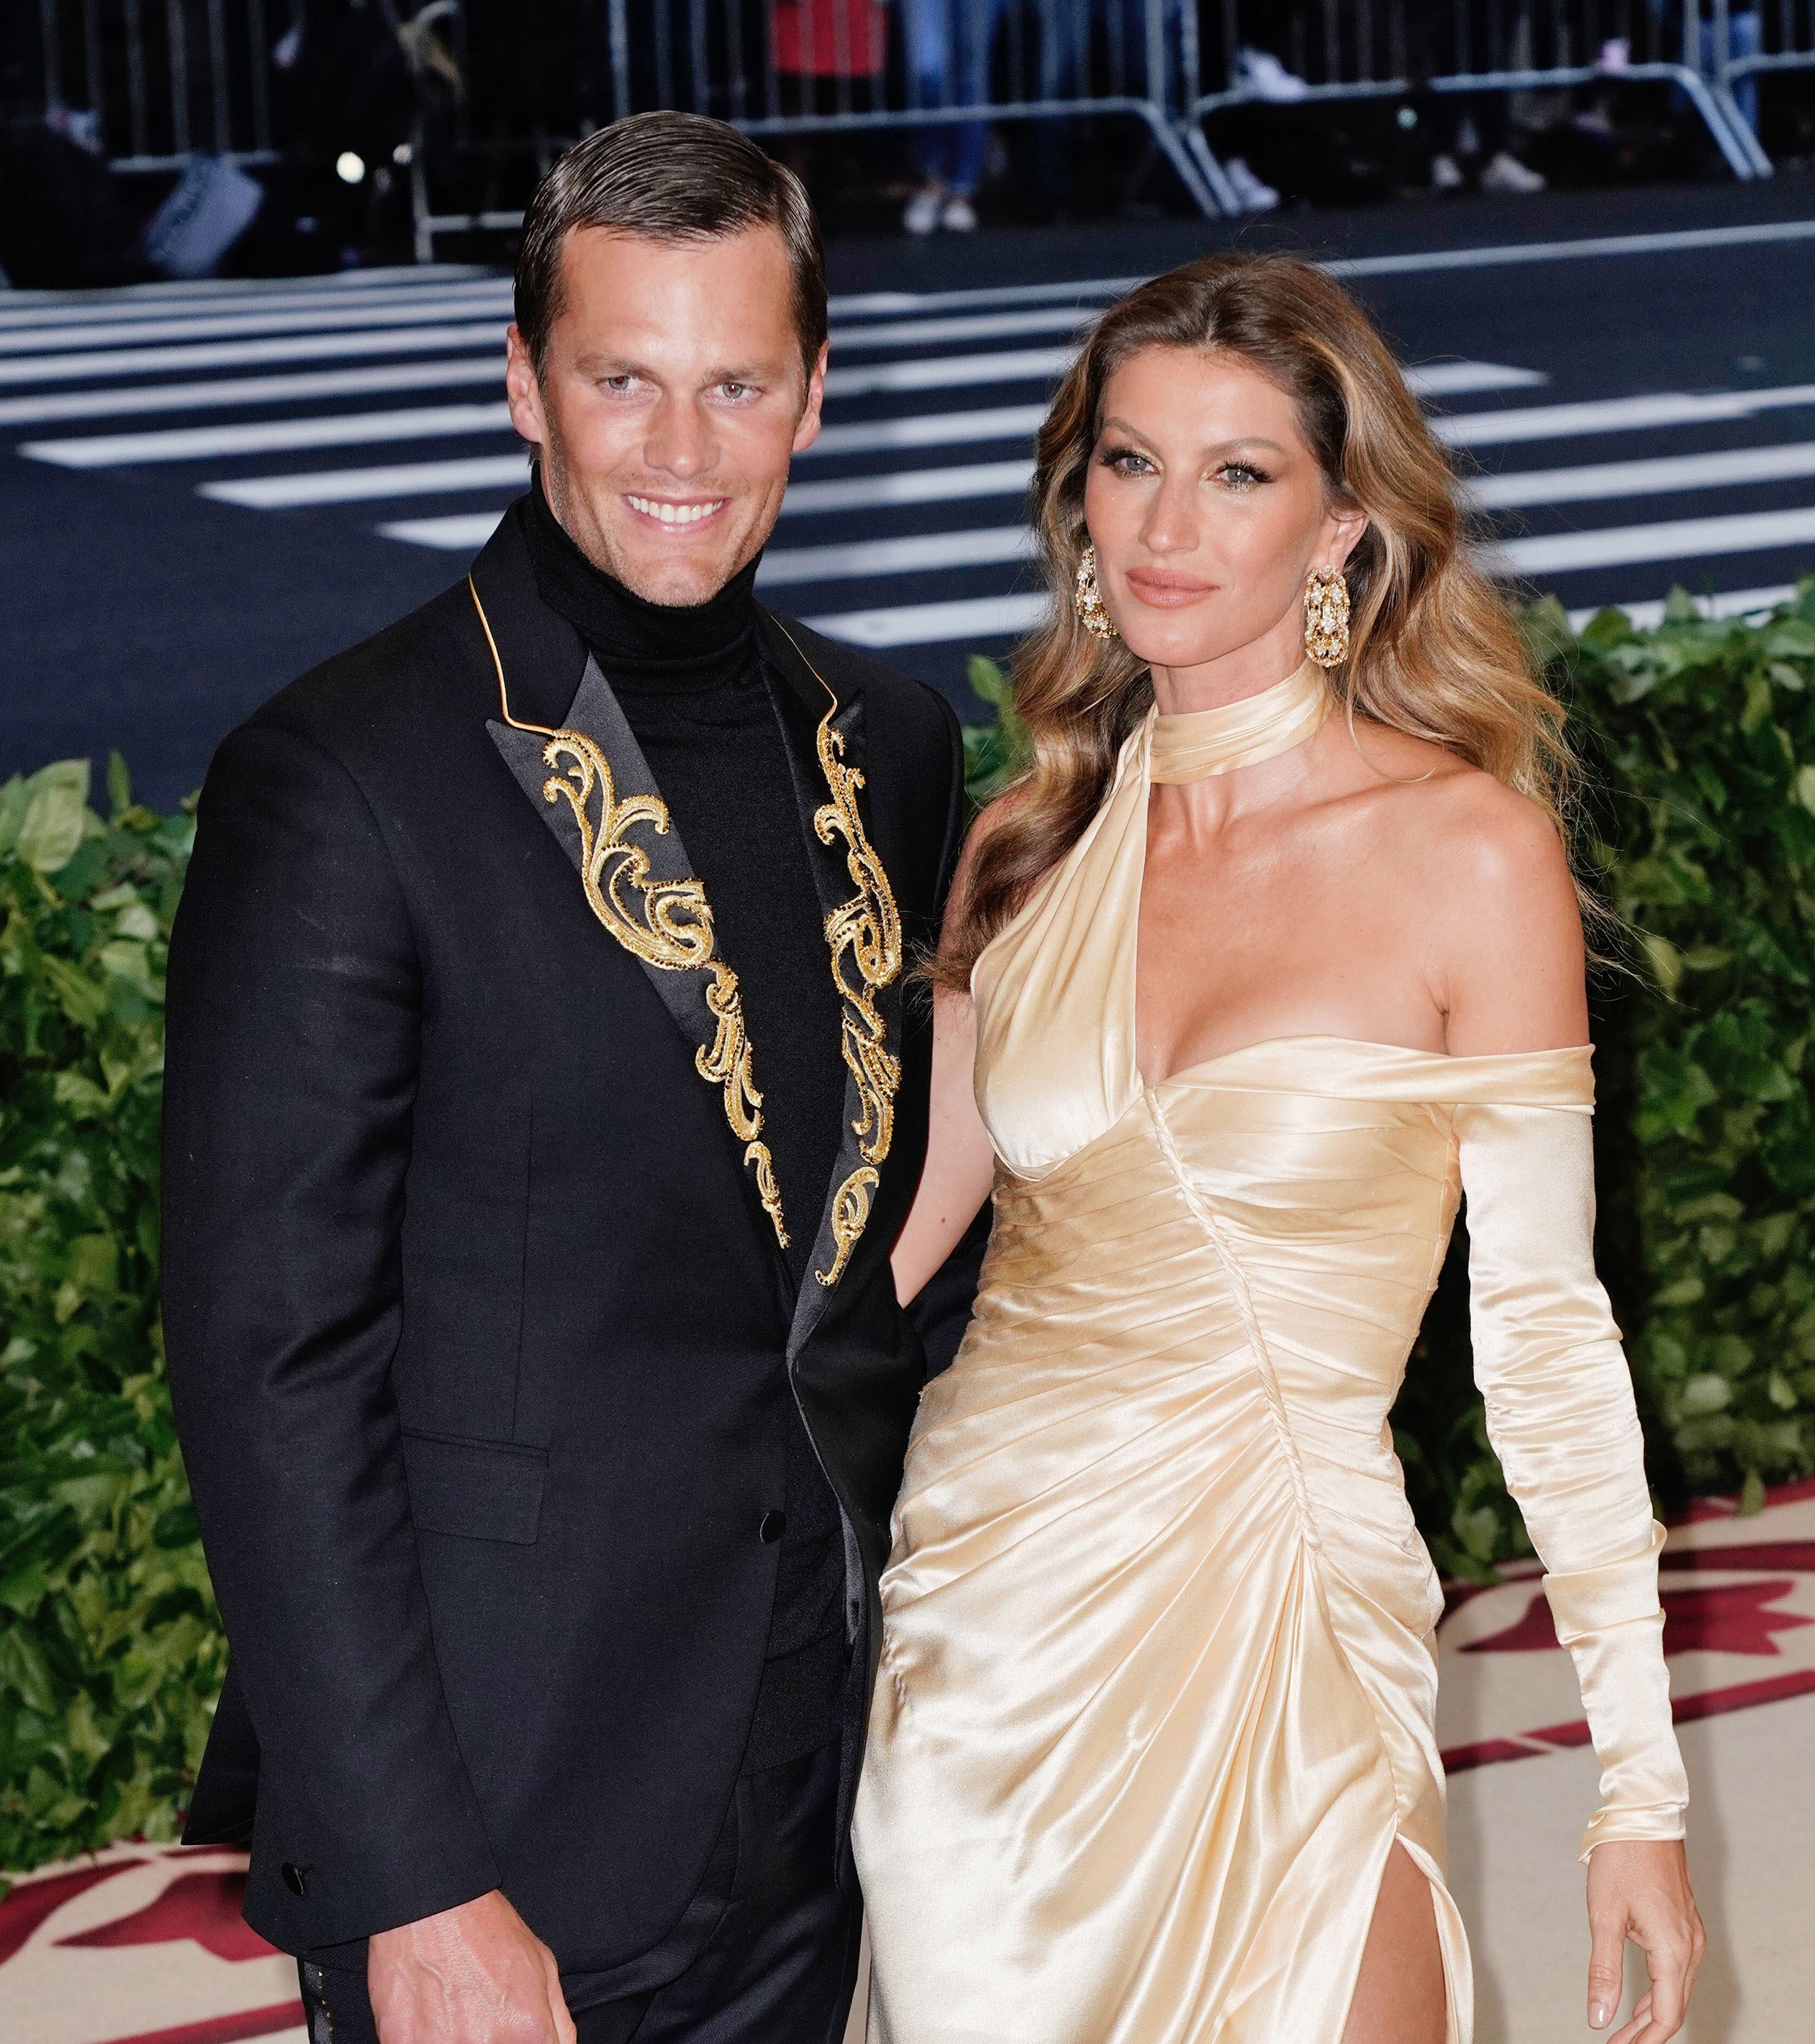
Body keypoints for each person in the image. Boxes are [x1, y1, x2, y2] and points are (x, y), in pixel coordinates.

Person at [162, 110, 969, 2044]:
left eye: (735, 384)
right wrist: (411, 1881)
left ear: (814, 395)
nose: (682, 453)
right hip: (504, 1819)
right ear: (522, 382)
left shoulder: (897, 743)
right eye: (622, 379)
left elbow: (873, 1266)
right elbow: (273, 1374)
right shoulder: (348, 782)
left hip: (815, 1779)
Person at [853, 253, 1706, 2043]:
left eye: (1239, 472)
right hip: (988, 1641)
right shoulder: (1024, 841)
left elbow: (1545, 1328)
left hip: (1294, 1616)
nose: (1169, 524)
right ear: (1076, 499)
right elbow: (912, 1236)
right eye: (1129, 460)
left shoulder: (1466, 852)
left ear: (1339, 530)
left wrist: (1639, 1788)